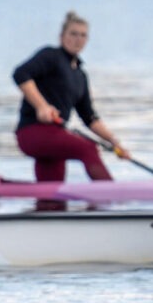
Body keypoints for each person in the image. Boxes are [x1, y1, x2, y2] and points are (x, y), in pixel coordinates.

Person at [12, 11, 131, 183]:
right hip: (32, 133)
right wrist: (41, 106)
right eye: (73, 34)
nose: (78, 39)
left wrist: (114, 142)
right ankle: (110, 196)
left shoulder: (80, 75)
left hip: (54, 137)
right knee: (88, 148)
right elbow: (20, 74)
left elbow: (89, 117)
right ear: (62, 37)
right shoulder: (51, 56)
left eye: (83, 35)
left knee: (52, 195)